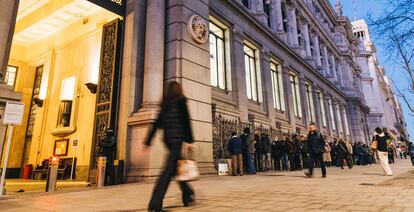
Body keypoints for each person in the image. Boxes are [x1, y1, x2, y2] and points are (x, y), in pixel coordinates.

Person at [144, 82, 195, 211]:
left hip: (168, 139)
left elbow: (157, 123)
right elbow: (186, 120)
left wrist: (148, 141)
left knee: (177, 168)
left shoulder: (165, 105)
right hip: (177, 139)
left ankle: (187, 194)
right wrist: (189, 140)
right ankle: (155, 203)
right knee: (167, 171)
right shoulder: (181, 101)